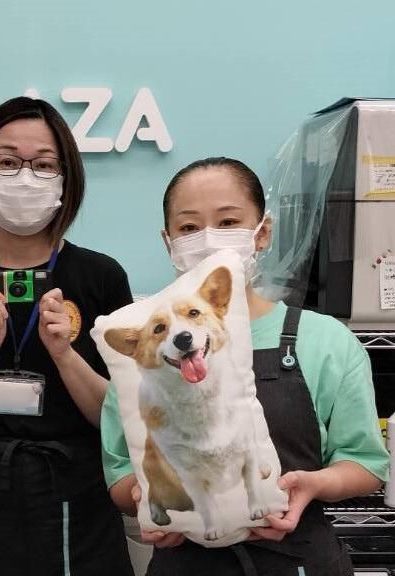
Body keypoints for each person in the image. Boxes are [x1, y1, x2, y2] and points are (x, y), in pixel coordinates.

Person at [101, 156, 389, 575]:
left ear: (262, 232)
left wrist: (313, 485)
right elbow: (121, 471)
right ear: (169, 242)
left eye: (228, 222)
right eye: (189, 228)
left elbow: (365, 464)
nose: (208, 239)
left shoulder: (323, 341)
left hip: (299, 559)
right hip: (186, 563)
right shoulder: (145, 348)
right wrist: (150, 499)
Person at [0, 96, 135, 576]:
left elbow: (122, 419)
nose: (25, 177)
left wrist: (65, 355)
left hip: (77, 496)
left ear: (66, 179)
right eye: (7, 162)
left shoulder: (101, 277)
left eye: (44, 165)